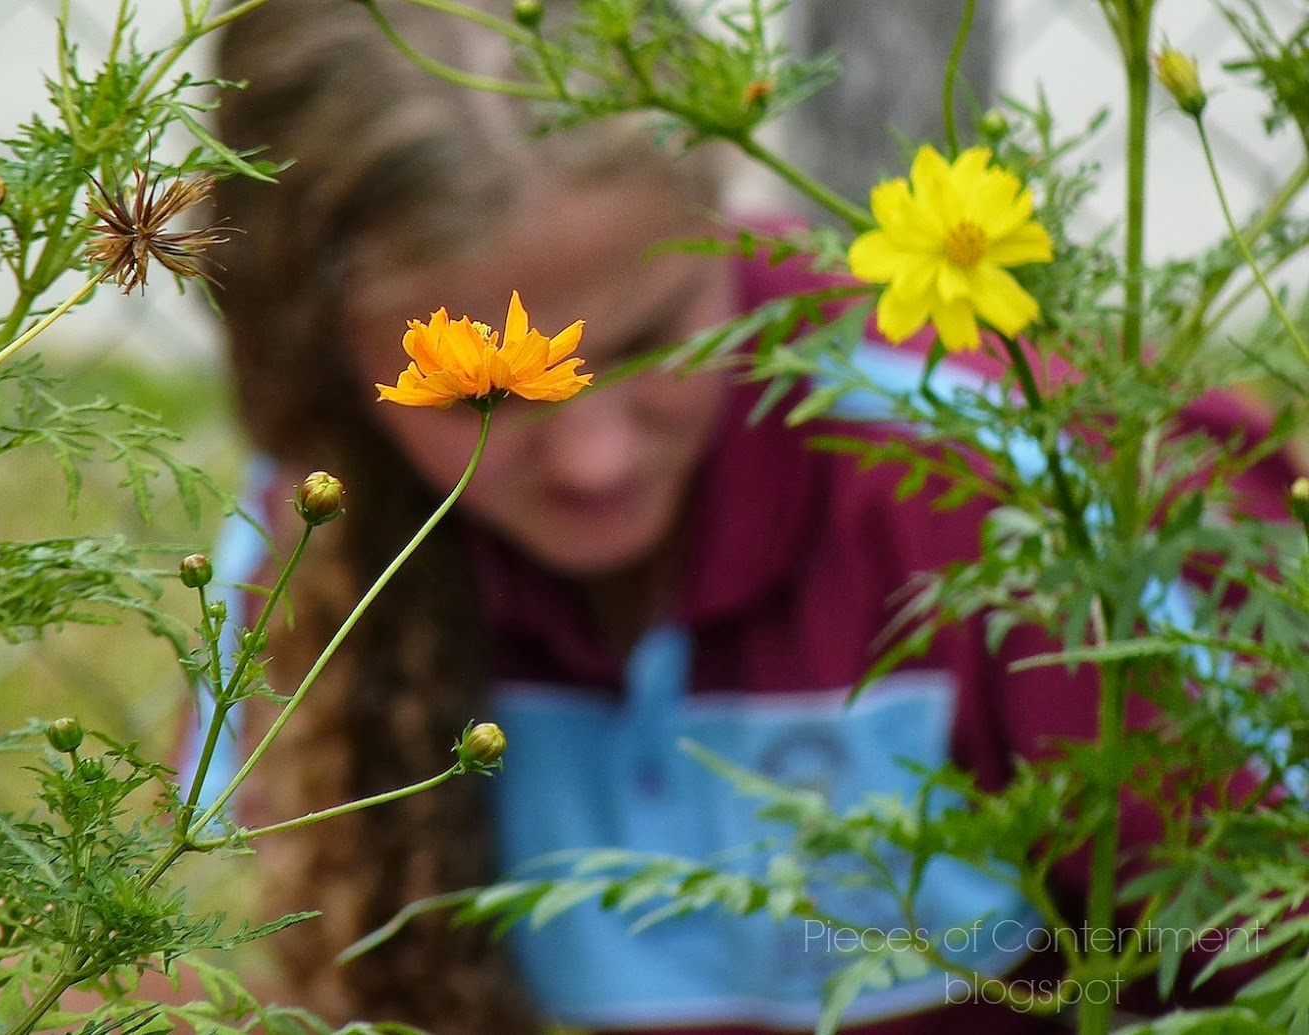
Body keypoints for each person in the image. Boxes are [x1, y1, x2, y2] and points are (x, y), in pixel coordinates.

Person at [200, 1, 1295, 1034]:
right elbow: (204, 963)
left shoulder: (1044, 492)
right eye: (485, 398)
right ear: (326, 358)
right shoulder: (313, 539)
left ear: (717, 208)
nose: (594, 457)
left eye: (646, 343)